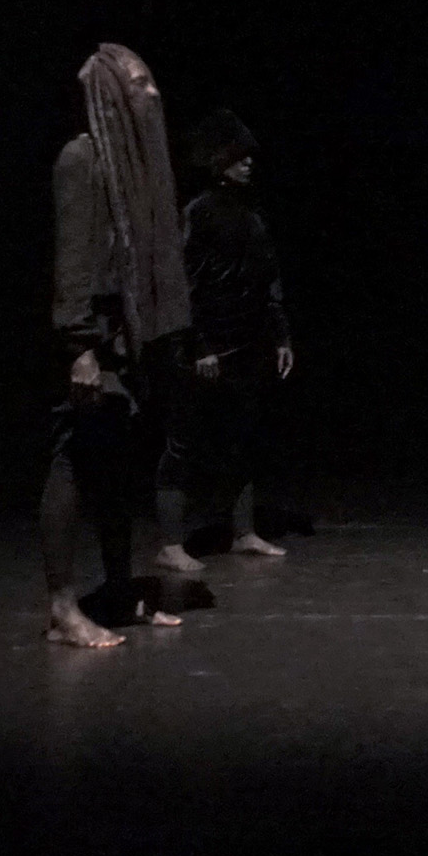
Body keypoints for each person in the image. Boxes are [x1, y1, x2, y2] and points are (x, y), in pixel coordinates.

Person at [43, 42, 198, 648]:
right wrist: (79, 347)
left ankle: (116, 591)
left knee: (118, 471)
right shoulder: (82, 159)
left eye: (151, 81)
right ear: (110, 94)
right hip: (93, 342)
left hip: (127, 343)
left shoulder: (134, 170)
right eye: (138, 84)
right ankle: (62, 609)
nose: (152, 93)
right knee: (73, 464)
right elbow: (72, 262)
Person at [153, 107, 296, 571]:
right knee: (184, 443)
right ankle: (170, 543)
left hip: (248, 343)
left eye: (249, 156)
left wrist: (280, 336)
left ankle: (243, 531)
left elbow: (268, 279)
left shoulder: (252, 214)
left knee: (241, 438)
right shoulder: (198, 212)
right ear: (218, 160)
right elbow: (184, 283)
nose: (248, 163)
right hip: (207, 346)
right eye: (238, 156)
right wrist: (200, 345)